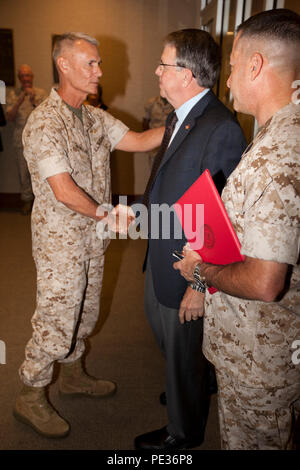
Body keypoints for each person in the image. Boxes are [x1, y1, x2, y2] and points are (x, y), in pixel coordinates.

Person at [13, 32, 163, 439]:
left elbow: (135, 140)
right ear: (64, 65)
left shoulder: (94, 116)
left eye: (98, 63)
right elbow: (62, 189)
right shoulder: (45, 122)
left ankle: (73, 375)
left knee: (86, 313)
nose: (100, 71)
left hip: (93, 237)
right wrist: (107, 213)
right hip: (61, 240)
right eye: (90, 64)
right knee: (57, 318)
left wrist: (187, 121)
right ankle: (30, 391)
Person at [173, 9, 300, 450]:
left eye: (231, 68)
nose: (226, 81)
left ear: (256, 65)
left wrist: (199, 270)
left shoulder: (277, 156)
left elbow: (266, 283)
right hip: (263, 348)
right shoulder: (278, 134)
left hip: (260, 357)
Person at [133, 29, 247, 450]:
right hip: (160, 253)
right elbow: (171, 185)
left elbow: (222, 221)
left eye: (164, 64)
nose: (157, 72)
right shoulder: (178, 116)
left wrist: (199, 286)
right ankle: (193, 388)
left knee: (182, 350)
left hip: (188, 269)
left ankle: (182, 435)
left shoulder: (220, 128)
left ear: (187, 74)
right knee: (172, 347)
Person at [5, 65, 48, 214]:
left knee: (41, 172)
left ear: (32, 77)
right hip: (20, 139)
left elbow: (47, 116)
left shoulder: (41, 93)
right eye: (22, 76)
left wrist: (33, 99)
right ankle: (27, 201)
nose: (25, 79)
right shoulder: (12, 94)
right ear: (19, 79)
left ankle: (42, 203)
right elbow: (9, 117)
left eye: (28, 76)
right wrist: (21, 98)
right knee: (23, 173)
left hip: (39, 139)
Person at [142, 95, 173, 167]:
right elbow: (145, 122)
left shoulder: (175, 102)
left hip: (170, 141)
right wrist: (146, 140)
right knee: (154, 168)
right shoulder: (152, 103)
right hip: (155, 144)